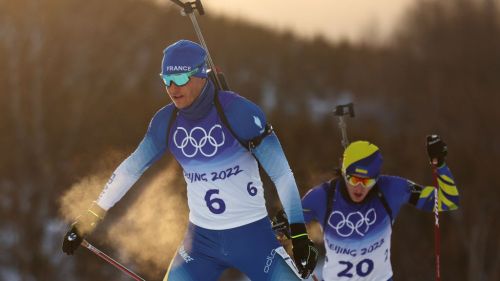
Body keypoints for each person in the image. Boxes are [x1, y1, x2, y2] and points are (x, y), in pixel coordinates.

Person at [62, 39, 318, 281]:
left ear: (201, 75)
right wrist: (90, 216)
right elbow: (131, 168)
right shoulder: (166, 122)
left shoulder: (238, 112)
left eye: (181, 78)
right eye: (167, 80)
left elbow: (281, 173)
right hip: (201, 243)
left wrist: (299, 234)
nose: (173, 88)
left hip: (252, 237)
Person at [301, 136, 459, 280]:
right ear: (344, 173)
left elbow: (447, 201)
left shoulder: (392, 189)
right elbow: (288, 225)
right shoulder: (322, 196)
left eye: (367, 181)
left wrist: (441, 165)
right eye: (354, 179)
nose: (360, 188)